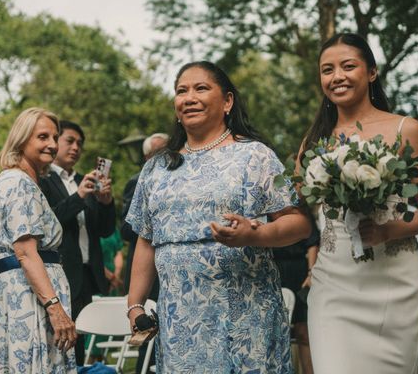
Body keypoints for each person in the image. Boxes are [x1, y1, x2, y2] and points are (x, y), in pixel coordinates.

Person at [126, 61, 311, 373]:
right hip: (179, 319)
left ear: (227, 102)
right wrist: (135, 305)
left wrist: (255, 235)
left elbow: (300, 223)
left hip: (245, 316)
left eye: (201, 88)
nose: (189, 97)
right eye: (181, 91)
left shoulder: (255, 156)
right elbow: (146, 240)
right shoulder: (156, 168)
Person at [302, 33, 418, 373]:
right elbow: (299, 210)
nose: (337, 77)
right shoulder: (315, 141)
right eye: (327, 70)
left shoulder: (406, 130)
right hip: (333, 282)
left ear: (371, 72)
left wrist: (387, 229)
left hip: (392, 281)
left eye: (348, 66)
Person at [0, 107, 77, 373]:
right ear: (22, 139)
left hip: (21, 290)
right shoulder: (18, 183)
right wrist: (54, 307)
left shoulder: (20, 181)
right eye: (42, 137)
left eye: (54, 137)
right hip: (30, 296)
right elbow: (25, 253)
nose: (51, 144)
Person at [39, 120, 116, 366]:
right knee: (57, 340)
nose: (75, 147)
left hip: (86, 273)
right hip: (58, 271)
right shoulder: (43, 178)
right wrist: (79, 196)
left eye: (79, 144)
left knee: (79, 339)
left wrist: (105, 201)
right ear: (55, 141)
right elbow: (47, 222)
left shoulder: (87, 180)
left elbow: (104, 230)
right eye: (69, 141)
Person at [120, 132, 168, 374]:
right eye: (159, 152)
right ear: (148, 156)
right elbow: (126, 230)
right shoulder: (137, 181)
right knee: (146, 334)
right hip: (147, 272)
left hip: (167, 272)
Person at [272, 231, 318, 374]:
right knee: (275, 332)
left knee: (303, 332)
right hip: (273, 269)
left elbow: (313, 243)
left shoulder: (300, 210)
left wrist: (311, 273)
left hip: (299, 271)